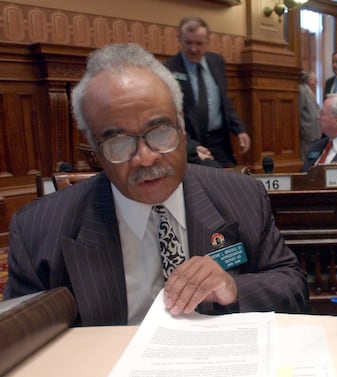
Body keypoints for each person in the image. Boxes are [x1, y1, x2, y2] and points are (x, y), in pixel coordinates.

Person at [3, 43, 309, 326]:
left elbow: (292, 285)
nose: (145, 158)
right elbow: (22, 338)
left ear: (183, 128)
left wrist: (234, 287)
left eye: (160, 131)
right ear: (93, 150)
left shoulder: (242, 195)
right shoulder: (39, 230)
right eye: (118, 142)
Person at [164, 17, 250, 168]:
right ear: (180, 40)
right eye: (188, 42)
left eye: (199, 43)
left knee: (229, 180)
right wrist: (189, 145)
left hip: (220, 142)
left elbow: (224, 100)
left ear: (208, 42)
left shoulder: (216, 61)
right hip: (191, 144)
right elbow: (171, 115)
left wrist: (239, 130)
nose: (193, 49)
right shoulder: (169, 68)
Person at [298, 71, 321, 160]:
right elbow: (299, 109)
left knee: (313, 156)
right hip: (307, 130)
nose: (316, 82)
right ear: (309, 80)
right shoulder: (302, 90)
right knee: (306, 157)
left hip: (315, 132)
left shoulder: (310, 91)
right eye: (315, 80)